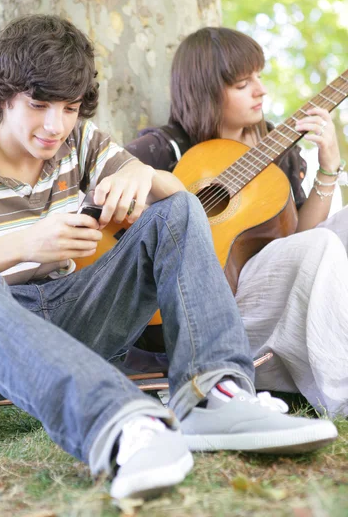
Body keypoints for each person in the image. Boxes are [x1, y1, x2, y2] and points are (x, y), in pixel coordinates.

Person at [0, 16, 338, 502]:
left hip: (77, 313)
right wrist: (27, 245)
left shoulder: (82, 142)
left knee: (178, 208)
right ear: (3, 95)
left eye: (69, 108)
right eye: (38, 105)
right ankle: (122, 424)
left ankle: (213, 393)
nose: (55, 126)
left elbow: (176, 196)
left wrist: (140, 174)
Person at [126, 26, 348, 419]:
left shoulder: (277, 149)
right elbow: (108, 207)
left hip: (277, 297)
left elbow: (300, 241)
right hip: (206, 315)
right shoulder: (165, 148)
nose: (261, 90)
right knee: (321, 247)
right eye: (243, 83)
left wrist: (328, 166)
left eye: (259, 77)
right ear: (205, 90)